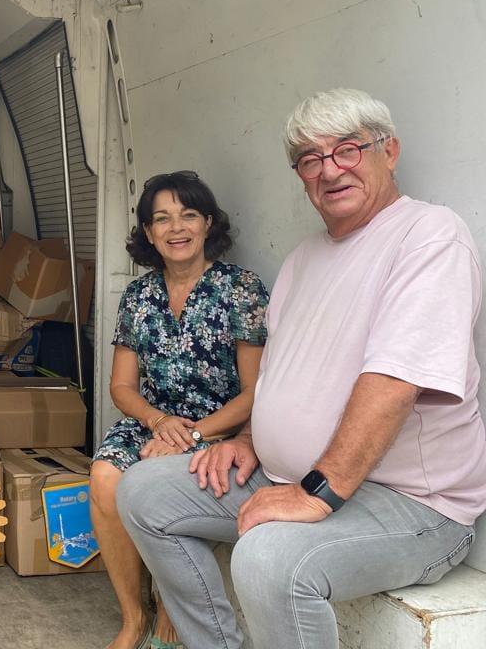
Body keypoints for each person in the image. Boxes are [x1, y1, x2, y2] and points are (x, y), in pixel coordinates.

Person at [116, 89, 486, 649]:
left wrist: (317, 492)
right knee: (142, 491)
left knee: (269, 560)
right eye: (310, 159)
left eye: (347, 150)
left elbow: (393, 384)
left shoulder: (430, 235)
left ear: (389, 151)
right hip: (293, 475)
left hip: (408, 504)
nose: (330, 170)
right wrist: (247, 439)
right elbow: (278, 379)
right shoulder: (303, 259)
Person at [90, 171, 268, 649]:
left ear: (209, 224)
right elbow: (122, 386)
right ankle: (134, 617)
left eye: (188, 214)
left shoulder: (240, 290)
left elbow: (255, 390)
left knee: (161, 471)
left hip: (222, 425)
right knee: (106, 476)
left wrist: (193, 434)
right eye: (162, 219)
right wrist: (160, 422)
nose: (176, 227)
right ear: (148, 233)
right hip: (156, 420)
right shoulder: (138, 297)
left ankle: (173, 602)